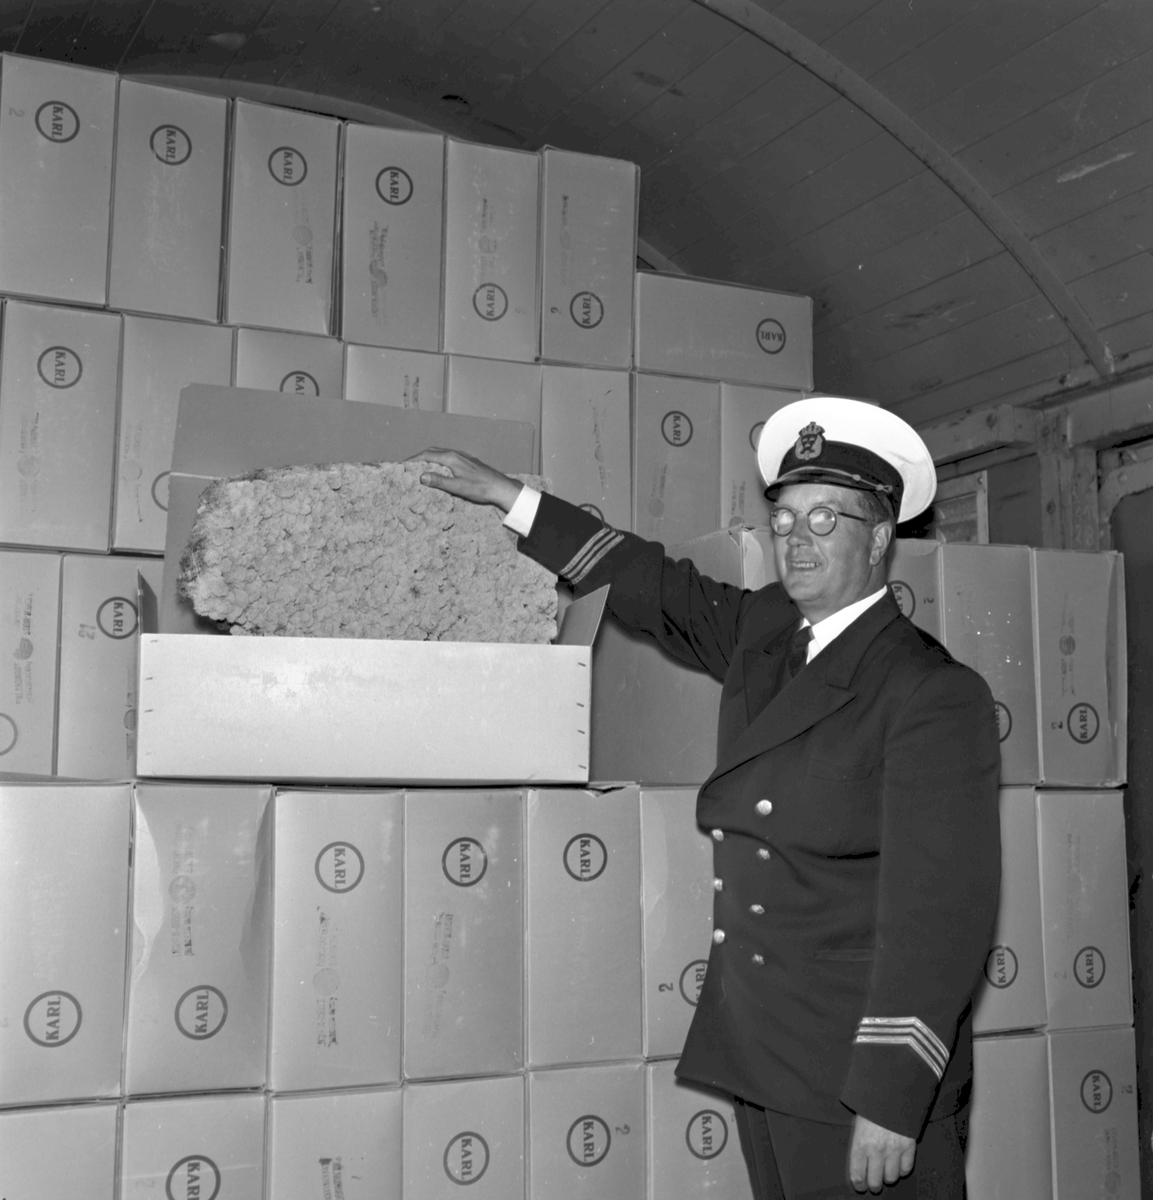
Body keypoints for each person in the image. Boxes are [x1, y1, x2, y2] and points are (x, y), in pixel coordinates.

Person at [418, 395, 1001, 1199]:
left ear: (877, 539)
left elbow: (940, 915)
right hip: (764, 1050)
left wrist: (892, 1098)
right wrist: (508, 497)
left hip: (853, 1076)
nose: (796, 539)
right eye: (784, 518)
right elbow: (654, 586)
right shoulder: (769, 629)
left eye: (824, 519)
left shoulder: (927, 693)